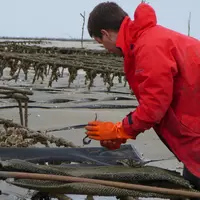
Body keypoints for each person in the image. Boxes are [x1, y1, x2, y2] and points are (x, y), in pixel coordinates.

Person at [84, 1, 200, 191]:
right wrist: (122, 134)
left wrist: (120, 130)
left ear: (104, 33)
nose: (106, 49)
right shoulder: (147, 39)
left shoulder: (149, 46)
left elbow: (155, 106)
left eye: (101, 43)